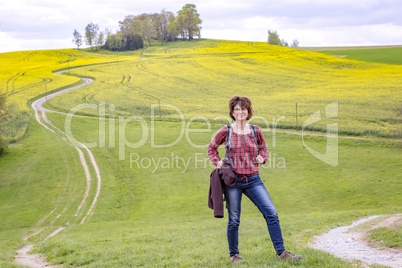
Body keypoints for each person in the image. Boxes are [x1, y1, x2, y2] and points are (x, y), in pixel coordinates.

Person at [207, 96, 302, 264]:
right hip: (233, 182)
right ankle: (234, 256)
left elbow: (264, 149)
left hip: (253, 180)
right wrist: (218, 162)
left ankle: (281, 252)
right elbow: (211, 148)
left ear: (248, 111)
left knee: (271, 213)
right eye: (236, 109)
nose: (240, 112)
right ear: (232, 112)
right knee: (234, 219)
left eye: (243, 109)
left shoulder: (255, 130)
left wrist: (262, 157)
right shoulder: (226, 130)